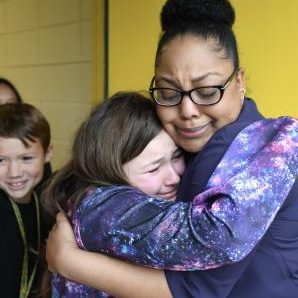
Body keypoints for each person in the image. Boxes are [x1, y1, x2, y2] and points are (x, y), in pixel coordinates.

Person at [46, 0, 298, 297]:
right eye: (168, 92)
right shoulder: (196, 140)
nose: (188, 110)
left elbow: (196, 284)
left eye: (206, 91)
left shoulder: (261, 147)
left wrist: (70, 262)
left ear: (239, 81)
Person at [0, 103, 53, 297]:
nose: (14, 173)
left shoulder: (47, 201)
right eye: (1, 161)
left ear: (47, 154)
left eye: (26, 159)